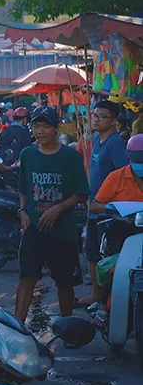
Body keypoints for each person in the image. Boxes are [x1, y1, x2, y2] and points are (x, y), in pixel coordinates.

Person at [15, 107, 89, 323]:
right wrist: (23, 211)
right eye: (36, 126)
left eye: (45, 126)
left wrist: (58, 208)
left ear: (56, 128)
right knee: (27, 277)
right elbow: (23, 190)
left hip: (62, 231)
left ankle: (67, 326)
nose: (40, 131)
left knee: (64, 281)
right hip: (33, 229)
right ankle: (16, 326)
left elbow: (82, 194)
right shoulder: (27, 154)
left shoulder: (70, 156)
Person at [80, 101, 128, 306]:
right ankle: (96, 294)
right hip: (93, 207)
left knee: (105, 257)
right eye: (95, 115)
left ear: (114, 121)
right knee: (92, 253)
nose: (96, 119)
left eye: (102, 116)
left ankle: (107, 300)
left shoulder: (115, 143)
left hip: (106, 211)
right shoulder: (98, 140)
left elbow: (124, 175)